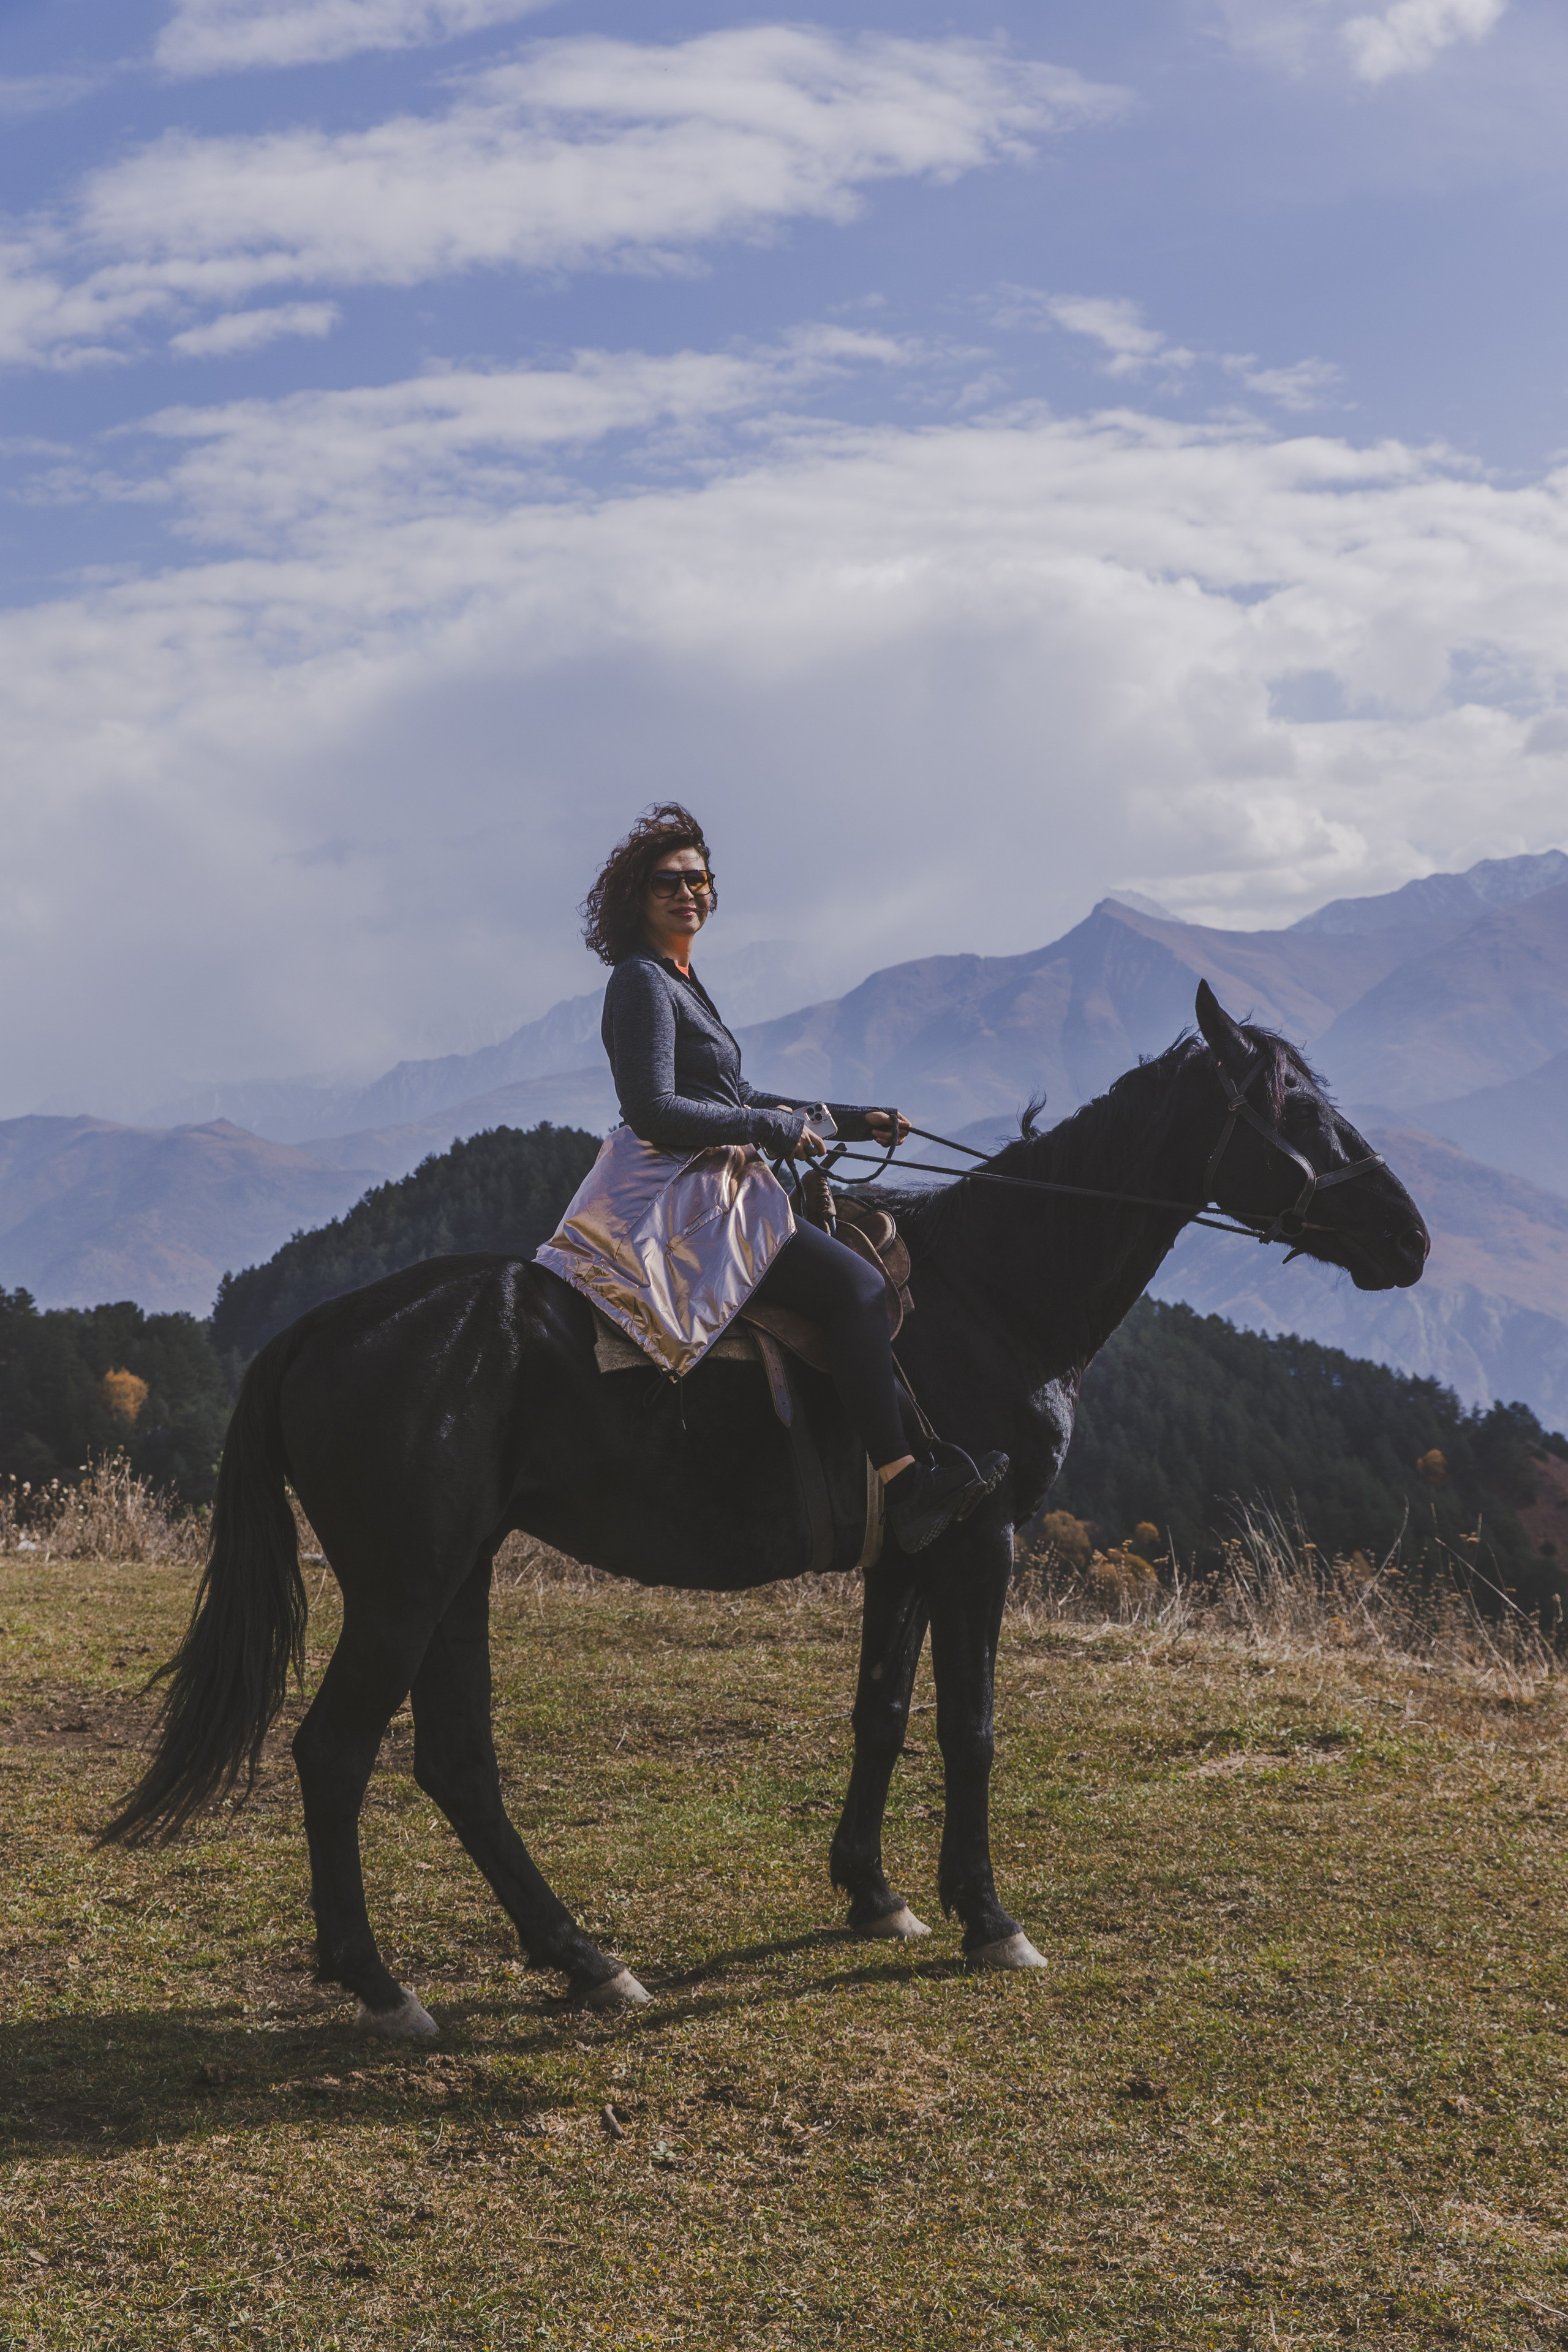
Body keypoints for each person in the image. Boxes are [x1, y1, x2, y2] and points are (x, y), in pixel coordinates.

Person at [536, 804, 1007, 1555]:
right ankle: (905, 1487)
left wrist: (855, 1119)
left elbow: (737, 1099)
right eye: (669, 881)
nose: (690, 892)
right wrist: (771, 1129)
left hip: (713, 1177)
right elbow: (652, 1109)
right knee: (856, 1288)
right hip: (678, 1193)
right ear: (637, 896)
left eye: (700, 879)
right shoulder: (640, 982)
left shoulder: (679, 978)